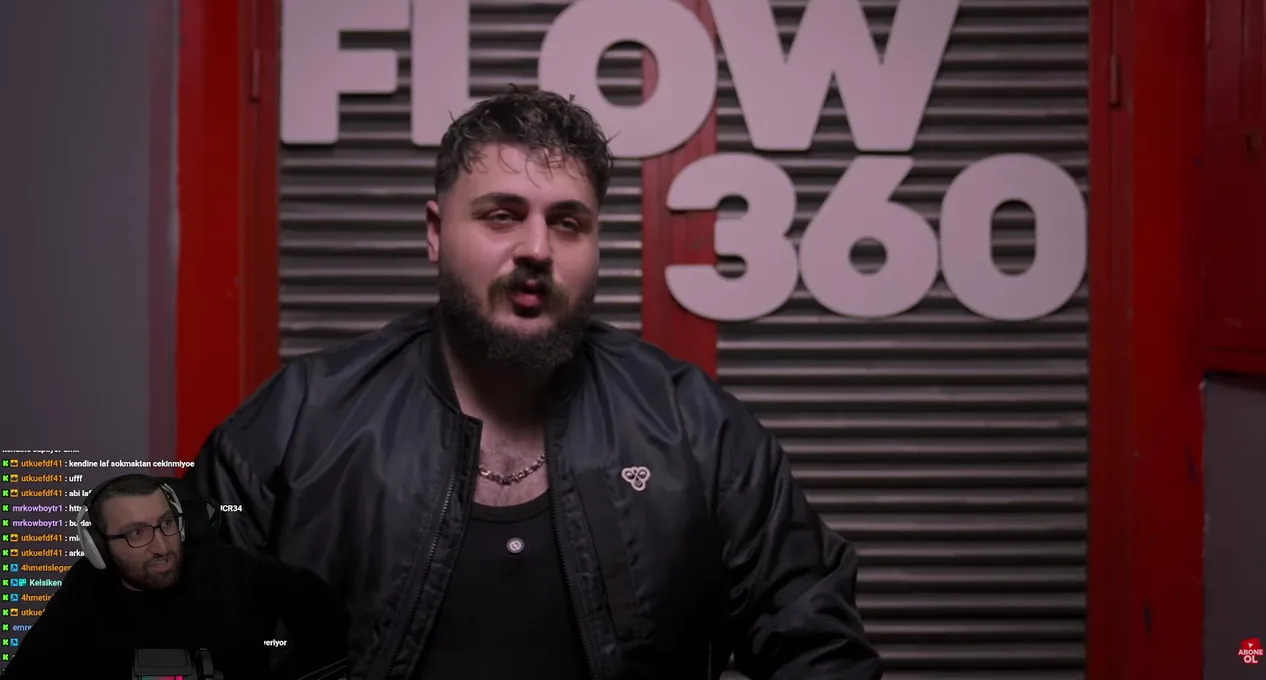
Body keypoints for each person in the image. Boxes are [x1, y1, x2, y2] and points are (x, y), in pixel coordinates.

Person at [190, 87, 881, 679]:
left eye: (568, 223)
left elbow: (820, 647)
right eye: (501, 215)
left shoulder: (696, 430)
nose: (537, 249)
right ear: (435, 232)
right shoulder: (302, 421)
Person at [1, 473, 349, 679]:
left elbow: (332, 618)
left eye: (166, 523)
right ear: (98, 547)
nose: (161, 547)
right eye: (136, 533)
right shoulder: (83, 590)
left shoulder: (233, 568)